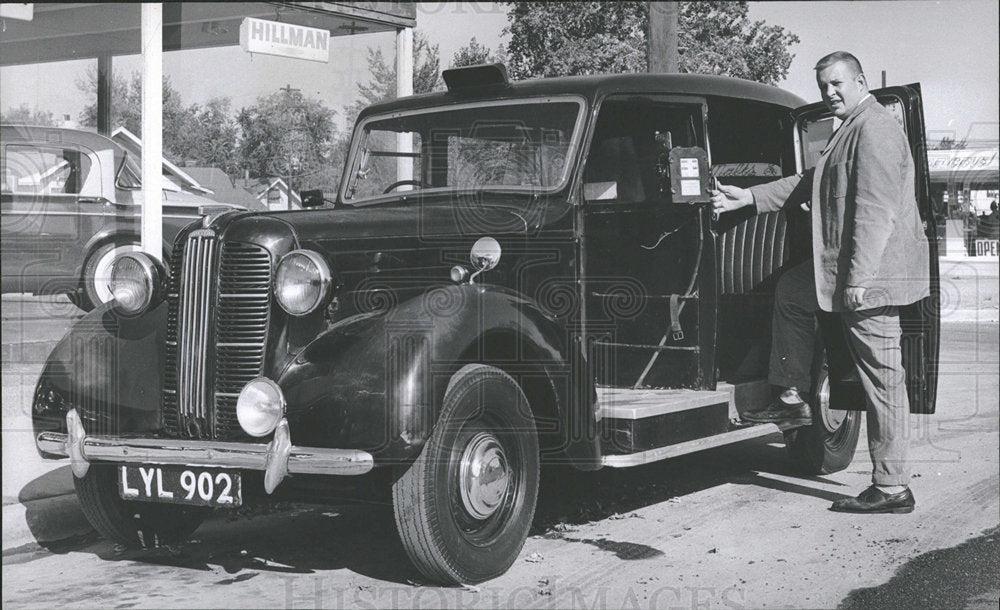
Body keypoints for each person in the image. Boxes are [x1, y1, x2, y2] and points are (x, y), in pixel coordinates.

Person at [711, 51, 930, 514]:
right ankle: (791, 397)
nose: (829, 93)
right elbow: (810, 182)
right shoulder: (848, 130)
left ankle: (892, 486)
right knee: (792, 291)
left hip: (870, 277)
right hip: (840, 270)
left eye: (837, 84)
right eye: (823, 87)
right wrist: (747, 197)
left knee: (883, 382)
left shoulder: (875, 129)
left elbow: (875, 212)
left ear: (861, 80)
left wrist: (860, 279)